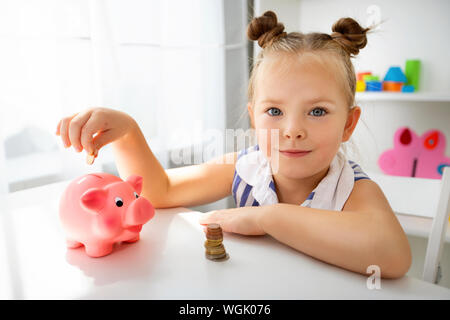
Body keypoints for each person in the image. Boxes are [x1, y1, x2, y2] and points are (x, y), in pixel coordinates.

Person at [56, 11, 411, 278]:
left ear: (348, 124)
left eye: (317, 111)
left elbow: (393, 256)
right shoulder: (244, 168)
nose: (292, 130)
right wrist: (128, 133)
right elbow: (158, 191)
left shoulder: (353, 191)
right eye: (274, 110)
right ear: (254, 118)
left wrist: (267, 217)